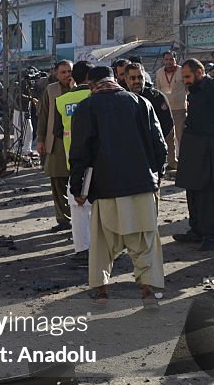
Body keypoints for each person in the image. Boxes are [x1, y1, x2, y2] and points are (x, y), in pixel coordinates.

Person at [68, 66, 167, 304]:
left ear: (91, 85)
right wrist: (155, 177)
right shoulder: (140, 102)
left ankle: (101, 291)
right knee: (145, 241)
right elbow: (160, 146)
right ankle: (147, 291)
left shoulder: (87, 107)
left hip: (106, 187)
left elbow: (79, 152)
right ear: (116, 79)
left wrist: (77, 187)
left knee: (102, 243)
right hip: (141, 185)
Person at [172, 59, 214, 251]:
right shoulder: (195, 90)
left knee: (209, 192)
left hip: (209, 143)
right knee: (193, 189)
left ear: (199, 73)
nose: (186, 81)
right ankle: (196, 230)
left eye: (188, 77)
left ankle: (212, 235)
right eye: (183, 78)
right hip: (193, 143)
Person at [55, 61, 93, 263]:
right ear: (89, 77)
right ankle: (104, 249)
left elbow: (58, 132)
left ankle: (82, 250)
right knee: (99, 208)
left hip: (74, 161)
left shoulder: (62, 101)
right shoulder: (95, 97)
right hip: (98, 161)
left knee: (77, 210)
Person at [36, 60, 75, 229]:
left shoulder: (81, 89)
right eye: (63, 72)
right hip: (57, 143)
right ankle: (63, 219)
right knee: (58, 183)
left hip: (76, 143)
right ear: (56, 74)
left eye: (69, 71)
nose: (67, 75)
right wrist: (41, 140)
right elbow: (43, 116)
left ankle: (79, 219)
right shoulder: (51, 90)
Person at [153, 50, 187, 170]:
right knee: (168, 137)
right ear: (163, 61)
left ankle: (185, 162)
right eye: (166, 59)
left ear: (175, 60)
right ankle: (172, 162)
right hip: (165, 110)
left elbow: (187, 87)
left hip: (180, 108)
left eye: (171, 59)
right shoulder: (159, 73)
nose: (168, 62)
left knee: (181, 136)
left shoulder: (182, 71)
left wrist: (182, 97)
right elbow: (157, 90)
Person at [127, 62, 174, 141]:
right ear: (126, 79)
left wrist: (154, 139)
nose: (137, 81)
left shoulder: (156, 97)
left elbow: (167, 123)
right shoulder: (122, 99)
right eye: (133, 78)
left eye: (140, 77)